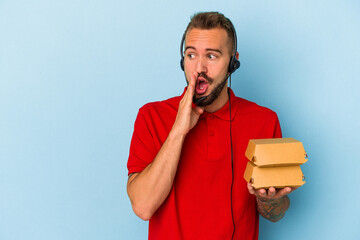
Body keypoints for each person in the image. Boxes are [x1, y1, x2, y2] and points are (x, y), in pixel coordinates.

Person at [127, 12, 296, 240]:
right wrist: (179, 129)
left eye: (212, 56)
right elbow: (143, 206)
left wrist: (270, 200)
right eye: (191, 55)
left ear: (232, 63)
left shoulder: (264, 121)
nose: (199, 68)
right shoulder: (151, 116)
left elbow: (275, 213)